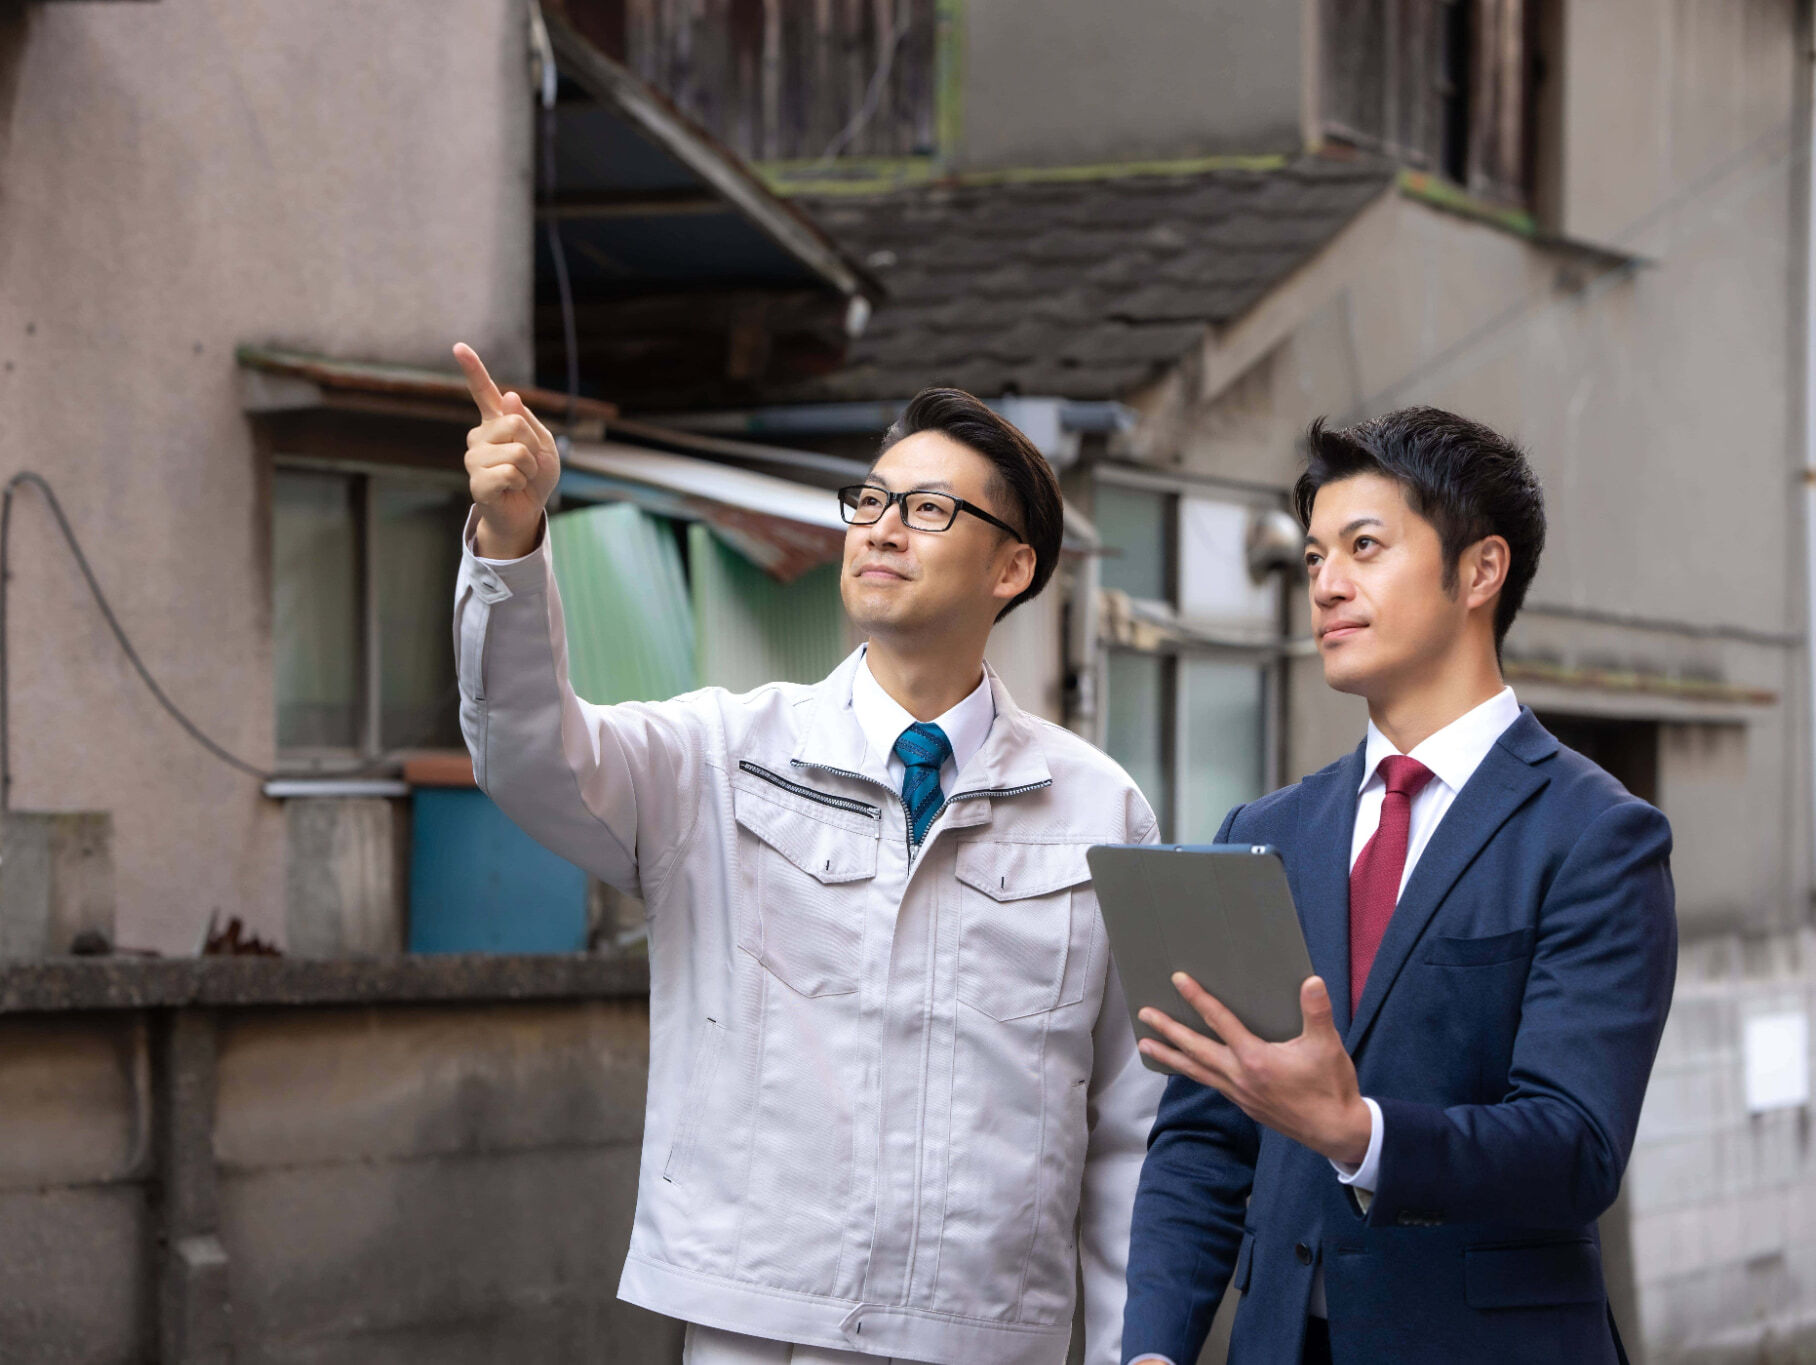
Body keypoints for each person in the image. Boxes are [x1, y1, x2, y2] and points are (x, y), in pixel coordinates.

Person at [450, 342, 1164, 1365]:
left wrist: (1131, 1349)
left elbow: (1131, 1119)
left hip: (981, 1332)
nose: (879, 527)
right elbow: (529, 754)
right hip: (757, 1321)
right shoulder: (718, 753)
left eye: (927, 510)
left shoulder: (1095, 806)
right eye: (869, 500)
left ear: (1011, 567)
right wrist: (511, 541)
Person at [1121, 408, 1677, 1365]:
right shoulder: (1264, 834)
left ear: (1479, 571)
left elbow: (1574, 1142)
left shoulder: (1597, 834)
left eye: (1365, 547)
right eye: (1312, 558)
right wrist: (1152, 1349)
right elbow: (1203, 1142)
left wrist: (1360, 1132)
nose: (1327, 585)